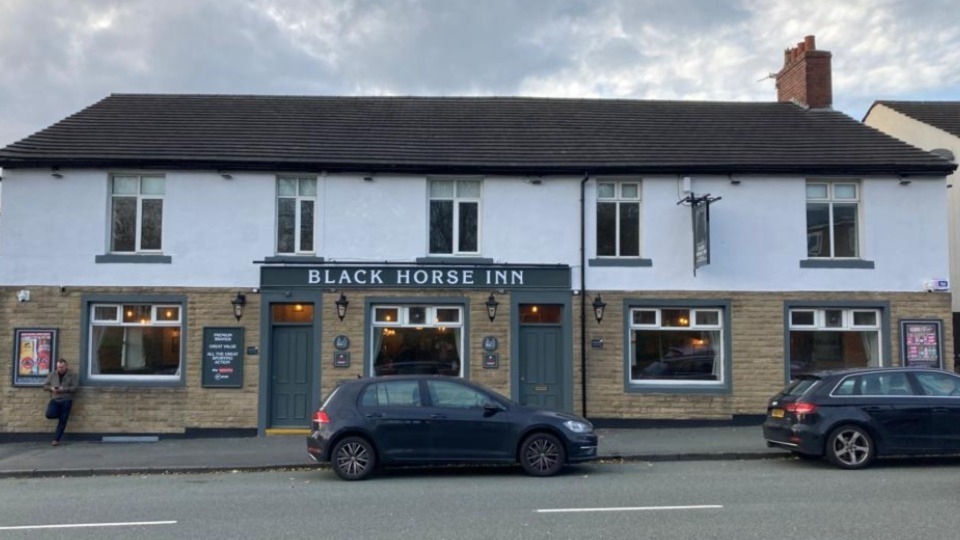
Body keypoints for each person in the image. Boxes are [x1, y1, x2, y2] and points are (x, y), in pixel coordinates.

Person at [43, 359, 78, 446]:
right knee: (49, 414)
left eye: (62, 367)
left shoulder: (72, 375)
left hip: (66, 400)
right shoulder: (52, 374)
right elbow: (45, 386)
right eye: (58, 367)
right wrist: (51, 388)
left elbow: (75, 388)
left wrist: (64, 389)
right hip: (55, 399)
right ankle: (61, 414)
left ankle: (56, 439)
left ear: (66, 366)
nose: (60, 369)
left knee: (63, 420)